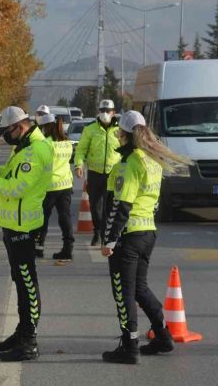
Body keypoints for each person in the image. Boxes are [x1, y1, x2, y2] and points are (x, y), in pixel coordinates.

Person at [100, 110, 192, 364]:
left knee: (124, 293)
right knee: (140, 288)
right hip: (147, 233)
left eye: (119, 132)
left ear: (124, 135)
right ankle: (163, 335)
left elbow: (121, 206)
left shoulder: (129, 164)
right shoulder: (152, 160)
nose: (117, 135)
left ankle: (129, 347)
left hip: (128, 236)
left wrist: (108, 240)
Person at [0, 106, 53, 362]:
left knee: (28, 284)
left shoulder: (36, 150)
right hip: (14, 225)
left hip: (24, 228)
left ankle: (29, 342)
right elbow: (8, 176)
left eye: (7, 131)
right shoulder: (23, 148)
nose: (5, 136)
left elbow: (17, 188)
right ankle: (21, 333)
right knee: (20, 281)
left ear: (20, 126)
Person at [73, 99, 120, 246]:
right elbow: (81, 150)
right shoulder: (90, 129)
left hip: (113, 174)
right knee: (95, 206)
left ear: (114, 113)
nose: (105, 114)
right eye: (102, 111)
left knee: (110, 206)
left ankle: (106, 234)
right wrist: (79, 166)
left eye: (108, 111)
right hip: (95, 174)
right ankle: (97, 231)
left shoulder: (120, 130)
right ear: (98, 112)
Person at [35, 112, 75, 260]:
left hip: (49, 187)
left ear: (46, 127)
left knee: (42, 219)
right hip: (65, 185)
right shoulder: (67, 143)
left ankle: (39, 247)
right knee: (65, 218)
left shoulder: (45, 144)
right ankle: (68, 248)